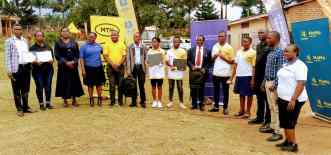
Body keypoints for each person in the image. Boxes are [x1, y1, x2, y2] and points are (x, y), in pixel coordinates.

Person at [275, 45, 307, 152]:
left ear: (295, 53)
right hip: (283, 98)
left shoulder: (300, 66)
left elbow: (301, 84)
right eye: (284, 51)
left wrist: (293, 99)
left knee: (289, 122)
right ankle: (287, 140)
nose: (285, 53)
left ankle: (293, 144)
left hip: (293, 100)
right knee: (284, 121)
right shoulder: (285, 64)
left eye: (288, 52)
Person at [5, 24, 35, 117]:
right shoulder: (9, 41)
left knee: (26, 88)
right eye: (16, 29)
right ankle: (19, 108)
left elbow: (28, 52)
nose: (18, 30)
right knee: (16, 89)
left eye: (20, 29)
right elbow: (7, 56)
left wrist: (30, 41)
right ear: (13, 30)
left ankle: (26, 107)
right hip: (16, 68)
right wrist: (9, 70)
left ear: (22, 30)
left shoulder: (25, 40)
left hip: (26, 67)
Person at [263, 31, 287, 142]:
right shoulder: (270, 52)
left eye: (269, 38)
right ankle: (273, 127)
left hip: (274, 84)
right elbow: (268, 69)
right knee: (271, 106)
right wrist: (264, 82)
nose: (267, 40)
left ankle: (279, 132)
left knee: (276, 108)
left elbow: (281, 70)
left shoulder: (280, 52)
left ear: (276, 39)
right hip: (268, 82)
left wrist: (275, 84)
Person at [54, 27, 84, 107]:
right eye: (63, 31)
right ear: (61, 33)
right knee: (63, 82)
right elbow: (57, 55)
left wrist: (73, 62)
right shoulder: (58, 42)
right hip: (63, 66)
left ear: (69, 33)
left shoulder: (74, 42)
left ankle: (74, 100)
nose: (65, 33)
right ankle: (65, 100)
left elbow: (77, 54)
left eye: (67, 31)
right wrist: (66, 62)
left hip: (73, 66)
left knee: (74, 82)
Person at [249, 29, 271, 127]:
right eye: (259, 33)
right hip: (258, 75)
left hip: (266, 75)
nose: (260, 34)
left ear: (267, 34)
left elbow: (259, 60)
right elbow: (256, 63)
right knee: (259, 98)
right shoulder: (258, 46)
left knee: (267, 100)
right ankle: (259, 117)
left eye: (262, 32)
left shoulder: (269, 46)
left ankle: (267, 120)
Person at [209, 31, 235, 115]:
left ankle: (225, 108)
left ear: (225, 37)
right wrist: (215, 56)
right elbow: (212, 60)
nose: (220, 38)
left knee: (225, 91)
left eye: (222, 36)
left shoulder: (229, 47)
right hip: (216, 73)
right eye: (219, 36)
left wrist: (223, 57)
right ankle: (216, 106)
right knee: (216, 90)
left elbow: (232, 62)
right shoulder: (215, 46)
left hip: (225, 73)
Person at [230, 37, 256, 119]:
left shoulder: (253, 52)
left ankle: (248, 112)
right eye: (243, 41)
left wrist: (253, 79)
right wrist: (232, 77)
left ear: (250, 42)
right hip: (239, 76)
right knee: (241, 94)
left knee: (249, 94)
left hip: (248, 76)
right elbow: (235, 65)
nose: (244, 43)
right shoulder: (239, 52)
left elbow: (254, 67)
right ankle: (241, 110)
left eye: (246, 42)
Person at [30, 31, 55, 111]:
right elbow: (30, 60)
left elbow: (52, 58)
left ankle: (48, 103)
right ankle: (41, 104)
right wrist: (35, 62)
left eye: (41, 36)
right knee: (40, 87)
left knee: (48, 87)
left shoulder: (48, 47)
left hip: (48, 70)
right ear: (35, 37)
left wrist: (52, 61)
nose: (40, 37)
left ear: (43, 37)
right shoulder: (32, 48)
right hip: (37, 71)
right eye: (38, 36)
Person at [79, 32, 106, 107]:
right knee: (90, 85)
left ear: (95, 38)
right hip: (88, 68)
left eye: (93, 37)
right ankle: (91, 99)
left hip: (98, 67)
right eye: (89, 37)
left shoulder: (99, 46)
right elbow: (81, 59)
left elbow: (105, 54)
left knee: (99, 84)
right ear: (87, 37)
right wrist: (83, 70)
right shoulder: (83, 47)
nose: (91, 38)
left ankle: (99, 99)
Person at [187, 35, 211, 111]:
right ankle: (194, 104)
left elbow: (210, 62)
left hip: (202, 72)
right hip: (193, 72)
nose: (199, 41)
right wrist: (191, 66)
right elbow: (188, 60)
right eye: (197, 40)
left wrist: (205, 68)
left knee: (201, 89)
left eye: (200, 40)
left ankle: (201, 105)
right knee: (193, 89)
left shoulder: (207, 51)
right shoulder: (191, 50)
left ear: (203, 41)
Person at [103, 30, 126, 106]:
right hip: (110, 67)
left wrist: (119, 64)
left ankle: (120, 101)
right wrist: (113, 64)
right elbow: (105, 56)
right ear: (110, 36)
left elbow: (124, 56)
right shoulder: (107, 44)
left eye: (115, 35)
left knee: (120, 85)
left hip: (120, 67)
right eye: (112, 35)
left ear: (118, 36)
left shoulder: (122, 44)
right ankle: (112, 101)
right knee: (112, 85)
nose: (114, 36)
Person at [125, 32, 147, 108]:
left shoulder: (143, 46)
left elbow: (146, 57)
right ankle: (134, 102)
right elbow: (127, 59)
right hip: (133, 68)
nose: (136, 38)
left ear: (140, 38)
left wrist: (146, 65)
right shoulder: (130, 47)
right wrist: (128, 70)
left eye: (137, 37)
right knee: (133, 86)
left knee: (141, 85)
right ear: (133, 38)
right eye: (135, 37)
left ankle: (143, 101)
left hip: (141, 67)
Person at [165, 36, 187, 109]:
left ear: (180, 42)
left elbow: (184, 63)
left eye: (177, 41)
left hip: (179, 73)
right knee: (171, 87)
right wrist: (170, 65)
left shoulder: (183, 51)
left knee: (180, 88)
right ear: (173, 42)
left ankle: (181, 102)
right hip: (171, 72)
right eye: (174, 41)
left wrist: (177, 67)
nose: (176, 43)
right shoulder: (169, 51)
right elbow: (166, 61)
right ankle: (170, 101)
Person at [146, 37, 165, 108]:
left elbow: (164, 61)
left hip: (160, 72)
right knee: (153, 87)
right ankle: (154, 101)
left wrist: (160, 62)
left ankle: (159, 101)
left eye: (155, 42)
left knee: (159, 87)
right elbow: (147, 61)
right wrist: (149, 63)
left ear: (158, 43)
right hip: (152, 72)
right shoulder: (149, 51)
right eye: (153, 42)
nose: (154, 43)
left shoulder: (162, 51)